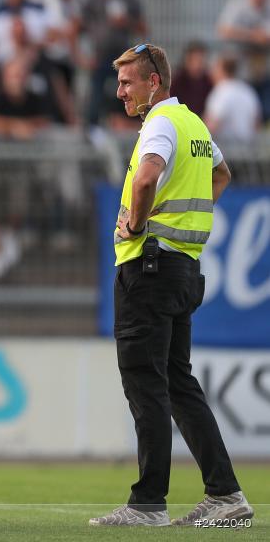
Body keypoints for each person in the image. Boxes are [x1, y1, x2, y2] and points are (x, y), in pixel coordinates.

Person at [89, 44, 253, 527]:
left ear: (154, 82)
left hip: (150, 268)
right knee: (178, 384)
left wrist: (139, 225)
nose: (119, 91)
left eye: (127, 82)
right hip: (182, 268)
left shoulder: (159, 124)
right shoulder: (195, 124)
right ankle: (225, 496)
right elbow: (222, 174)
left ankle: (147, 504)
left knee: (146, 383)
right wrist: (185, 215)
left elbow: (144, 180)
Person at [81, 0, 147, 128]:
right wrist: (81, 57)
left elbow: (143, 28)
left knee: (127, 98)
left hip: (123, 58)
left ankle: (129, 137)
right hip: (99, 58)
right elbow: (77, 27)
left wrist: (127, 22)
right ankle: (92, 136)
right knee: (95, 102)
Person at [216, 0, 270, 119]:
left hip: (264, 73)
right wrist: (252, 36)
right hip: (241, 73)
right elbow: (224, 30)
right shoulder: (237, 6)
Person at [204, 54, 262, 149]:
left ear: (221, 70)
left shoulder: (221, 91)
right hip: (248, 154)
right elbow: (257, 123)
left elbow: (211, 125)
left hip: (226, 154)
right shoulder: (248, 90)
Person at [170, 41, 213, 118]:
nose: (197, 65)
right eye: (194, 60)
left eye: (200, 60)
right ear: (187, 60)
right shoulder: (177, 81)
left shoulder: (209, 82)